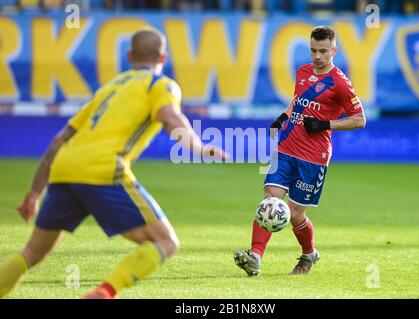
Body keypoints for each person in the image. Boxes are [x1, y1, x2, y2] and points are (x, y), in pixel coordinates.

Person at [0, 27, 227, 299]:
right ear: (163, 58)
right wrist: (197, 146)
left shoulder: (108, 88)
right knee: (165, 242)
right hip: (103, 169)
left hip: (64, 168)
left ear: (130, 56)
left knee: (31, 253)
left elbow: (60, 139)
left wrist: (35, 192)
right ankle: (104, 293)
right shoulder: (160, 85)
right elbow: (170, 116)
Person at [234, 26, 366, 276]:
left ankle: (308, 254)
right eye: (313, 50)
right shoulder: (303, 71)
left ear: (334, 51)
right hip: (286, 147)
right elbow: (298, 99)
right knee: (270, 203)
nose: (317, 56)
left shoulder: (341, 84)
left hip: (313, 157)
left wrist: (325, 124)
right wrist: (283, 117)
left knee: (294, 215)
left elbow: (360, 119)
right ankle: (255, 258)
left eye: (323, 51)